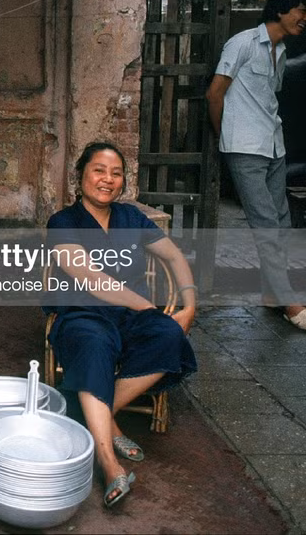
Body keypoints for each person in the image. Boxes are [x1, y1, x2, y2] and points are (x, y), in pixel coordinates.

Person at [45, 142, 197, 509]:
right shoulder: (63, 222)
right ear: (80, 176)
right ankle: (109, 465)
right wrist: (149, 306)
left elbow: (173, 255)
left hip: (128, 319)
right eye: (99, 170)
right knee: (93, 343)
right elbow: (91, 279)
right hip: (83, 314)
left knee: (171, 335)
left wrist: (190, 304)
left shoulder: (132, 218)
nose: (107, 180)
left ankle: (96, 414)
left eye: (116, 173)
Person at [206, 0, 306, 331]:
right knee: (265, 224)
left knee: (281, 221)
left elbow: (269, 101)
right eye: (301, 10)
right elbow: (215, 94)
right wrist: (224, 136)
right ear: (280, 9)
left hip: (274, 144)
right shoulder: (242, 43)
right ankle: (289, 301)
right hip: (245, 146)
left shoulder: (281, 51)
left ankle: (272, 294)